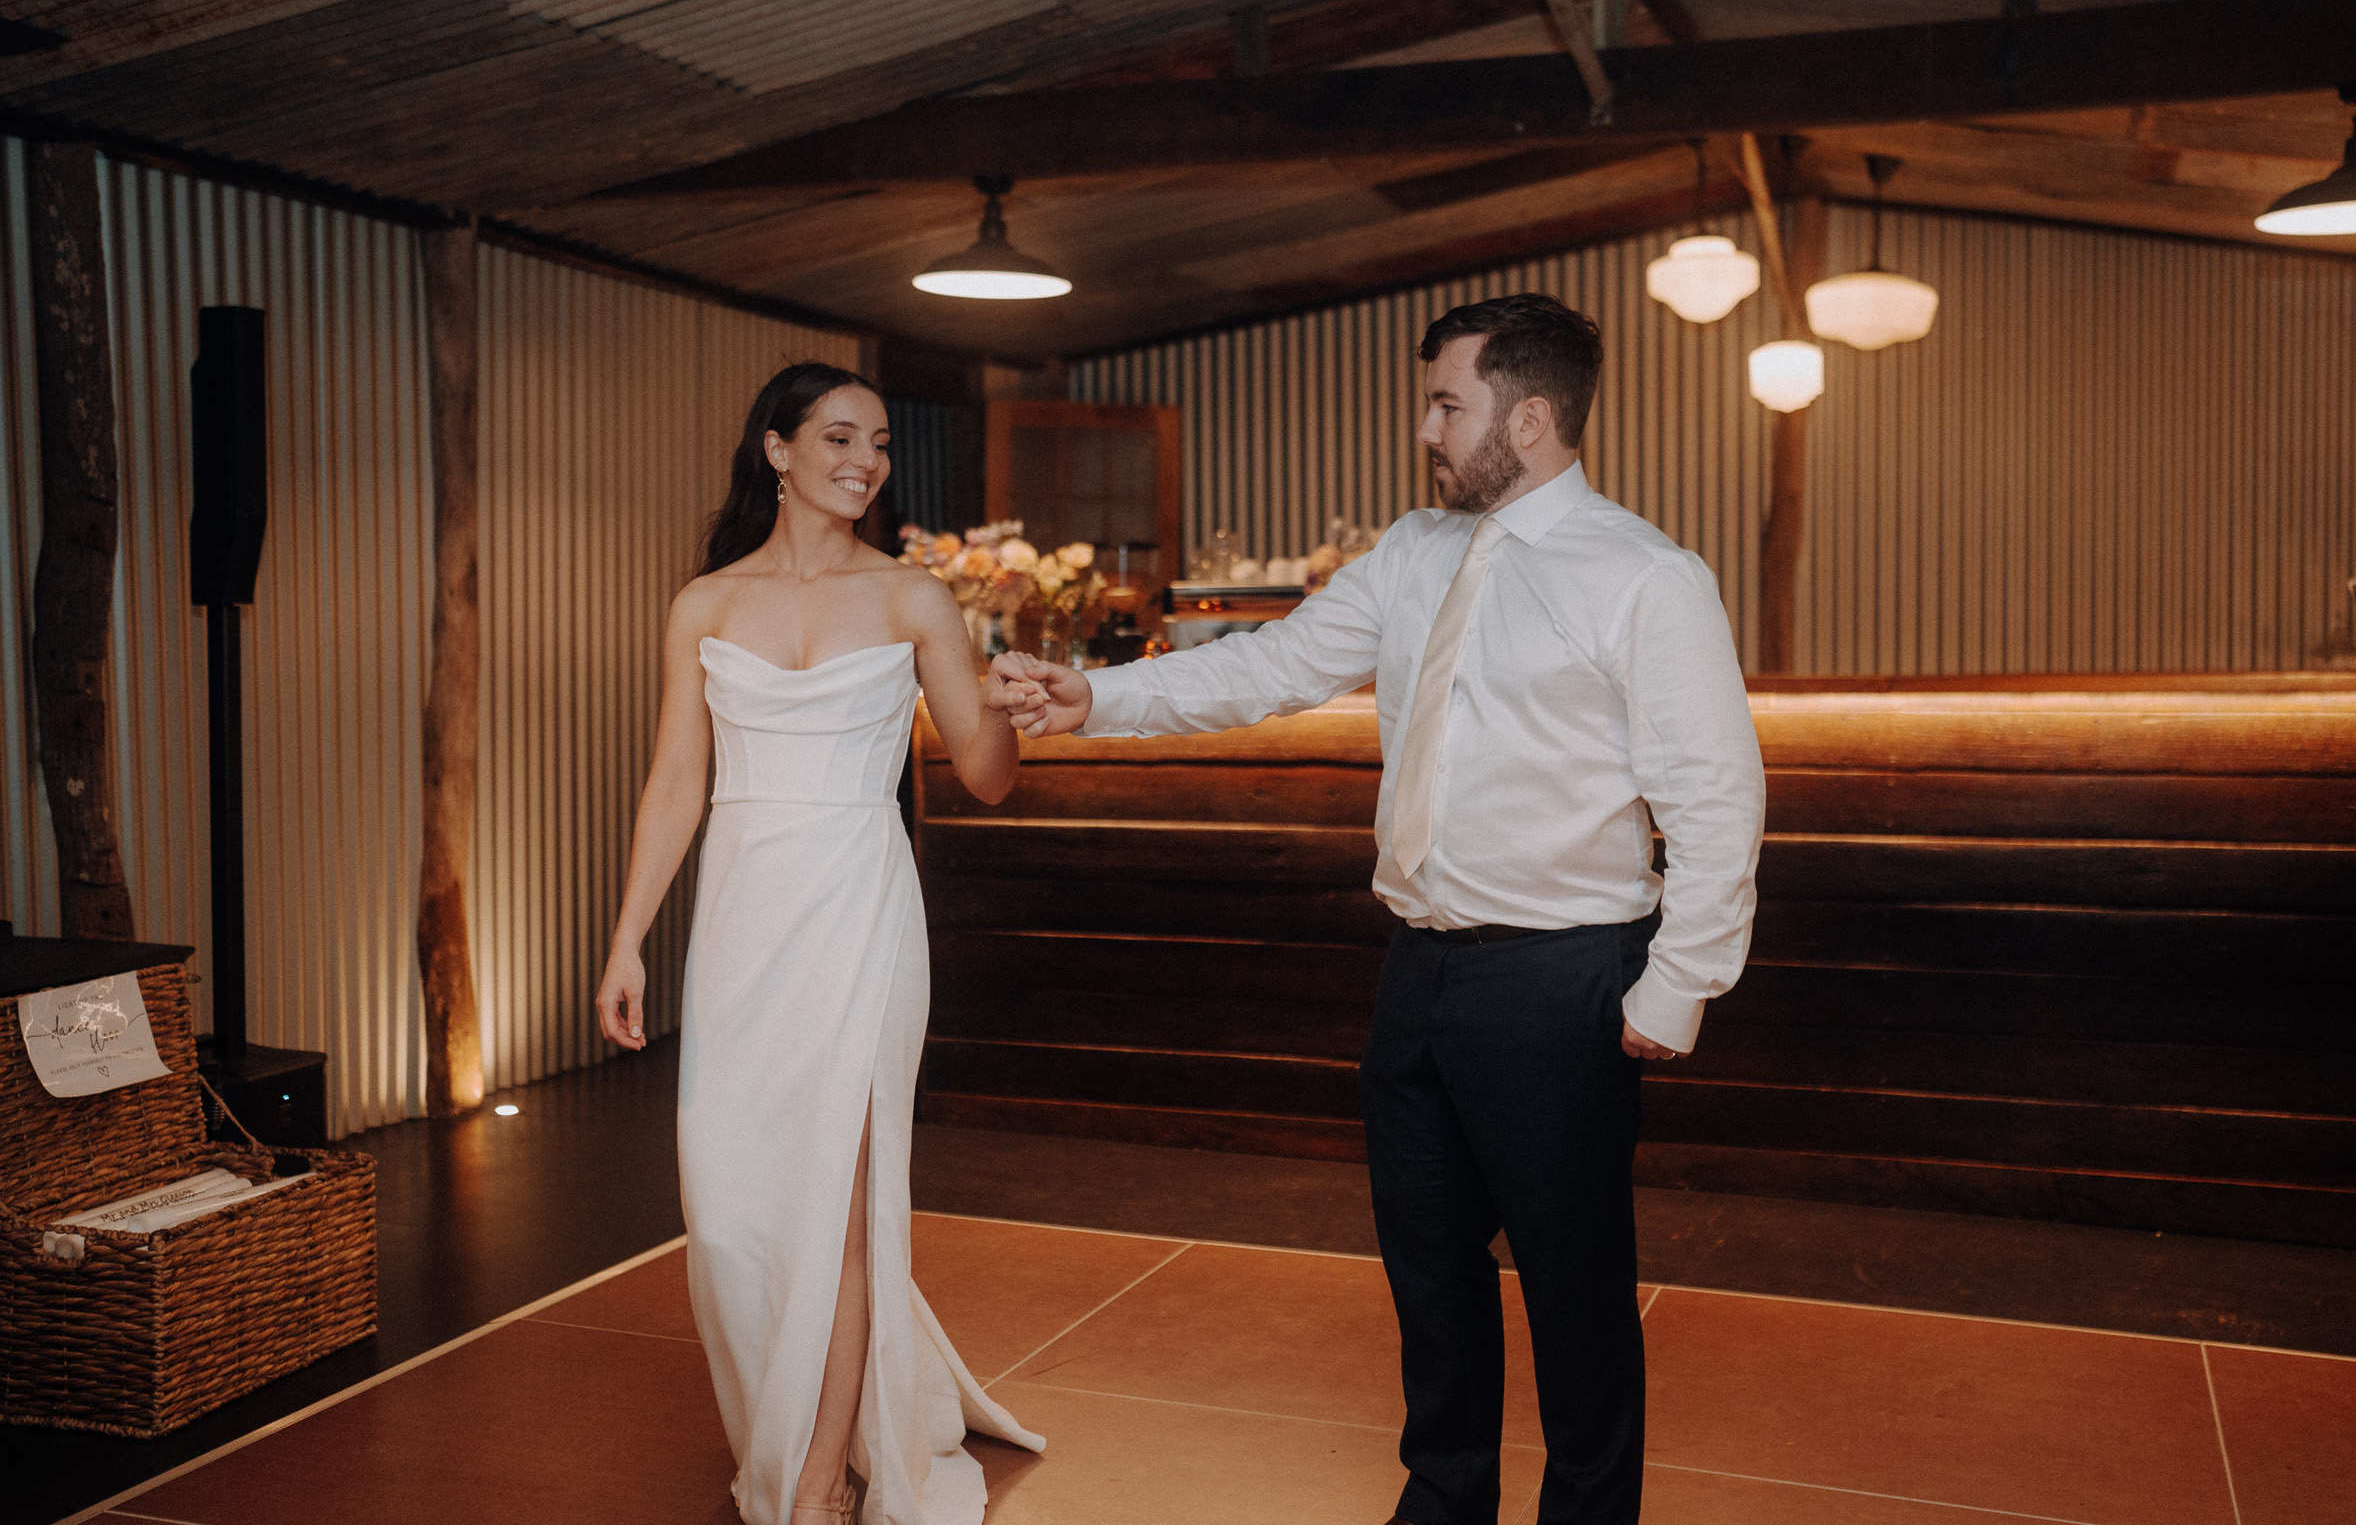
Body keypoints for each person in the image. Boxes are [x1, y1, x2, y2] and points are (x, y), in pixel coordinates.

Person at [996, 295, 1765, 1525]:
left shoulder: (1648, 577)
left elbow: (1718, 796)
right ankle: (1444, 1502)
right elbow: (1272, 664)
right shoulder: (1412, 550)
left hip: (1564, 978)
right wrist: (1094, 697)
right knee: (1430, 1270)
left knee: (1574, 1288)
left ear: (1530, 415)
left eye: (1447, 404)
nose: (1426, 429)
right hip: (1420, 973)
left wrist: (1677, 986)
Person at [596, 362, 1045, 1525]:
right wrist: (628, 938)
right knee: (733, 1209)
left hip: (859, 907)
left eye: (881, 442)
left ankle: (815, 1479)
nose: (866, 460)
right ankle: (801, 1422)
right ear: (776, 450)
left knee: (843, 1201)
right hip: (744, 918)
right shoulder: (704, 604)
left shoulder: (913, 599)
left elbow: (986, 780)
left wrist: (1005, 707)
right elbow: (677, 781)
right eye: (840, 436)